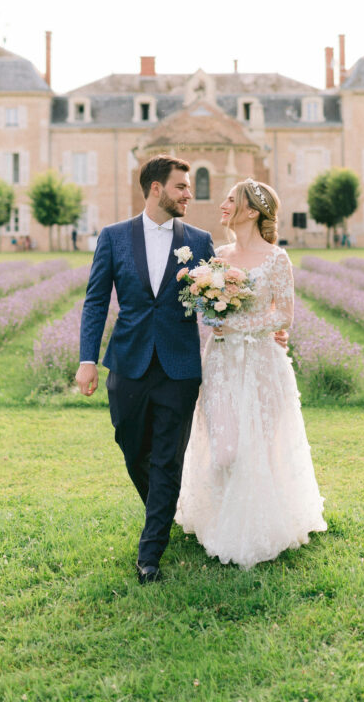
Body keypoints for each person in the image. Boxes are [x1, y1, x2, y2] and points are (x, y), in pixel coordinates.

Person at [75, 155, 214, 585]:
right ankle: (163, 509)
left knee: (168, 459)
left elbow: (214, 302)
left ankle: (150, 553)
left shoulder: (201, 239)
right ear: (156, 189)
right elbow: (96, 300)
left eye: (189, 187)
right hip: (129, 361)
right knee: (133, 446)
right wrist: (86, 359)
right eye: (181, 187)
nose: (189, 194)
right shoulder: (114, 237)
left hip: (179, 365)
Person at [176, 178, 327, 569]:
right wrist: (212, 316)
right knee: (223, 447)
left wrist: (240, 326)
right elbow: (207, 308)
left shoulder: (277, 259)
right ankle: (217, 516)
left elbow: (284, 314)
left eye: (230, 200)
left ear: (251, 211)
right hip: (222, 363)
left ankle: (254, 526)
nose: (222, 205)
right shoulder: (219, 255)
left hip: (261, 363)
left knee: (259, 446)